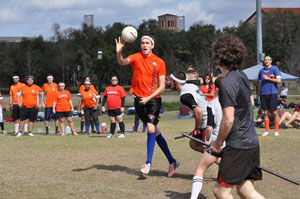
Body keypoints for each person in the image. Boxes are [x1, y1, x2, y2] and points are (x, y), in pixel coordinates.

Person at [116, 35, 179, 177]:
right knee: (155, 132)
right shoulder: (136, 57)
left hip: (153, 100)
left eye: (147, 43)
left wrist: (148, 98)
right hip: (139, 101)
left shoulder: (159, 62)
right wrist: (119, 52)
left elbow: (162, 86)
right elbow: (122, 62)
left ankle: (148, 163)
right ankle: (172, 161)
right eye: (142, 43)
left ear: (152, 46)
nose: (144, 45)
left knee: (150, 128)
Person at [210, 35, 264, 199]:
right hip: (251, 143)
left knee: (221, 191)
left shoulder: (226, 83)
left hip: (238, 146)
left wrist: (218, 143)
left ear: (219, 57)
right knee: (245, 190)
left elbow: (228, 119)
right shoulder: (241, 75)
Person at [170, 71, 208, 153]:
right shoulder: (191, 86)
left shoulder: (184, 96)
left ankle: (223, 161)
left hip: (208, 122)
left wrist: (197, 128)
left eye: (170, 81)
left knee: (210, 152)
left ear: (176, 82)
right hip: (210, 118)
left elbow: (198, 111)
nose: (169, 83)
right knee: (193, 143)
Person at [258, 56, 281, 137]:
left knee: (274, 112)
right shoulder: (261, 71)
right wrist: (259, 93)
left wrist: (268, 78)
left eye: (268, 60)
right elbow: (260, 83)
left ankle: (276, 130)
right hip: (264, 94)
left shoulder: (275, 69)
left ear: (271, 61)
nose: (266, 61)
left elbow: (279, 81)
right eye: (265, 60)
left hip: (272, 93)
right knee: (266, 112)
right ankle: (267, 131)